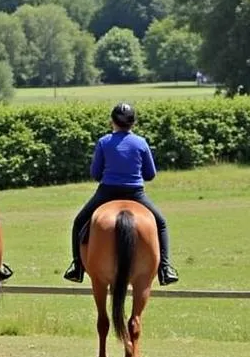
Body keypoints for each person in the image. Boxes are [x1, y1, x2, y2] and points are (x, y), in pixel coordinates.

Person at [63, 102, 178, 285]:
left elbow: (95, 174)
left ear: (112, 122)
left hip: (107, 192)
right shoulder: (141, 142)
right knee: (161, 224)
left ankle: (77, 267)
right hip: (135, 193)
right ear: (134, 123)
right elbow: (150, 174)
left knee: (79, 222)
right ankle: (165, 268)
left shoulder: (104, 142)